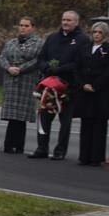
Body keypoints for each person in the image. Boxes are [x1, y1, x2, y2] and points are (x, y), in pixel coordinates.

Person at [29, 10, 85, 160]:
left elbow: (80, 63)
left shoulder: (82, 40)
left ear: (76, 22)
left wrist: (61, 69)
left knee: (64, 121)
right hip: (49, 85)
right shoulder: (52, 38)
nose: (65, 22)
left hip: (68, 87)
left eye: (69, 20)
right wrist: (47, 67)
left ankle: (60, 150)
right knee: (44, 118)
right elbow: (41, 58)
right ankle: (42, 148)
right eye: (64, 19)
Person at [72, 21, 109, 167]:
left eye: (100, 32)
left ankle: (96, 157)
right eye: (94, 32)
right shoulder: (84, 48)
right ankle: (84, 156)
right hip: (85, 92)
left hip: (101, 93)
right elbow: (77, 68)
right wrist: (83, 84)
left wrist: (96, 85)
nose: (97, 35)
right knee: (86, 124)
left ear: (105, 34)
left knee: (99, 126)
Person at [0, 16, 43, 154]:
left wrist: (21, 68)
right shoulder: (11, 42)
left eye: (26, 25)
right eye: (21, 25)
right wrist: (8, 68)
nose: (23, 28)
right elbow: (2, 57)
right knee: (12, 116)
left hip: (26, 81)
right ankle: (8, 144)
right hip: (11, 81)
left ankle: (18, 146)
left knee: (21, 117)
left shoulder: (39, 43)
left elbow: (38, 60)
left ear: (32, 27)